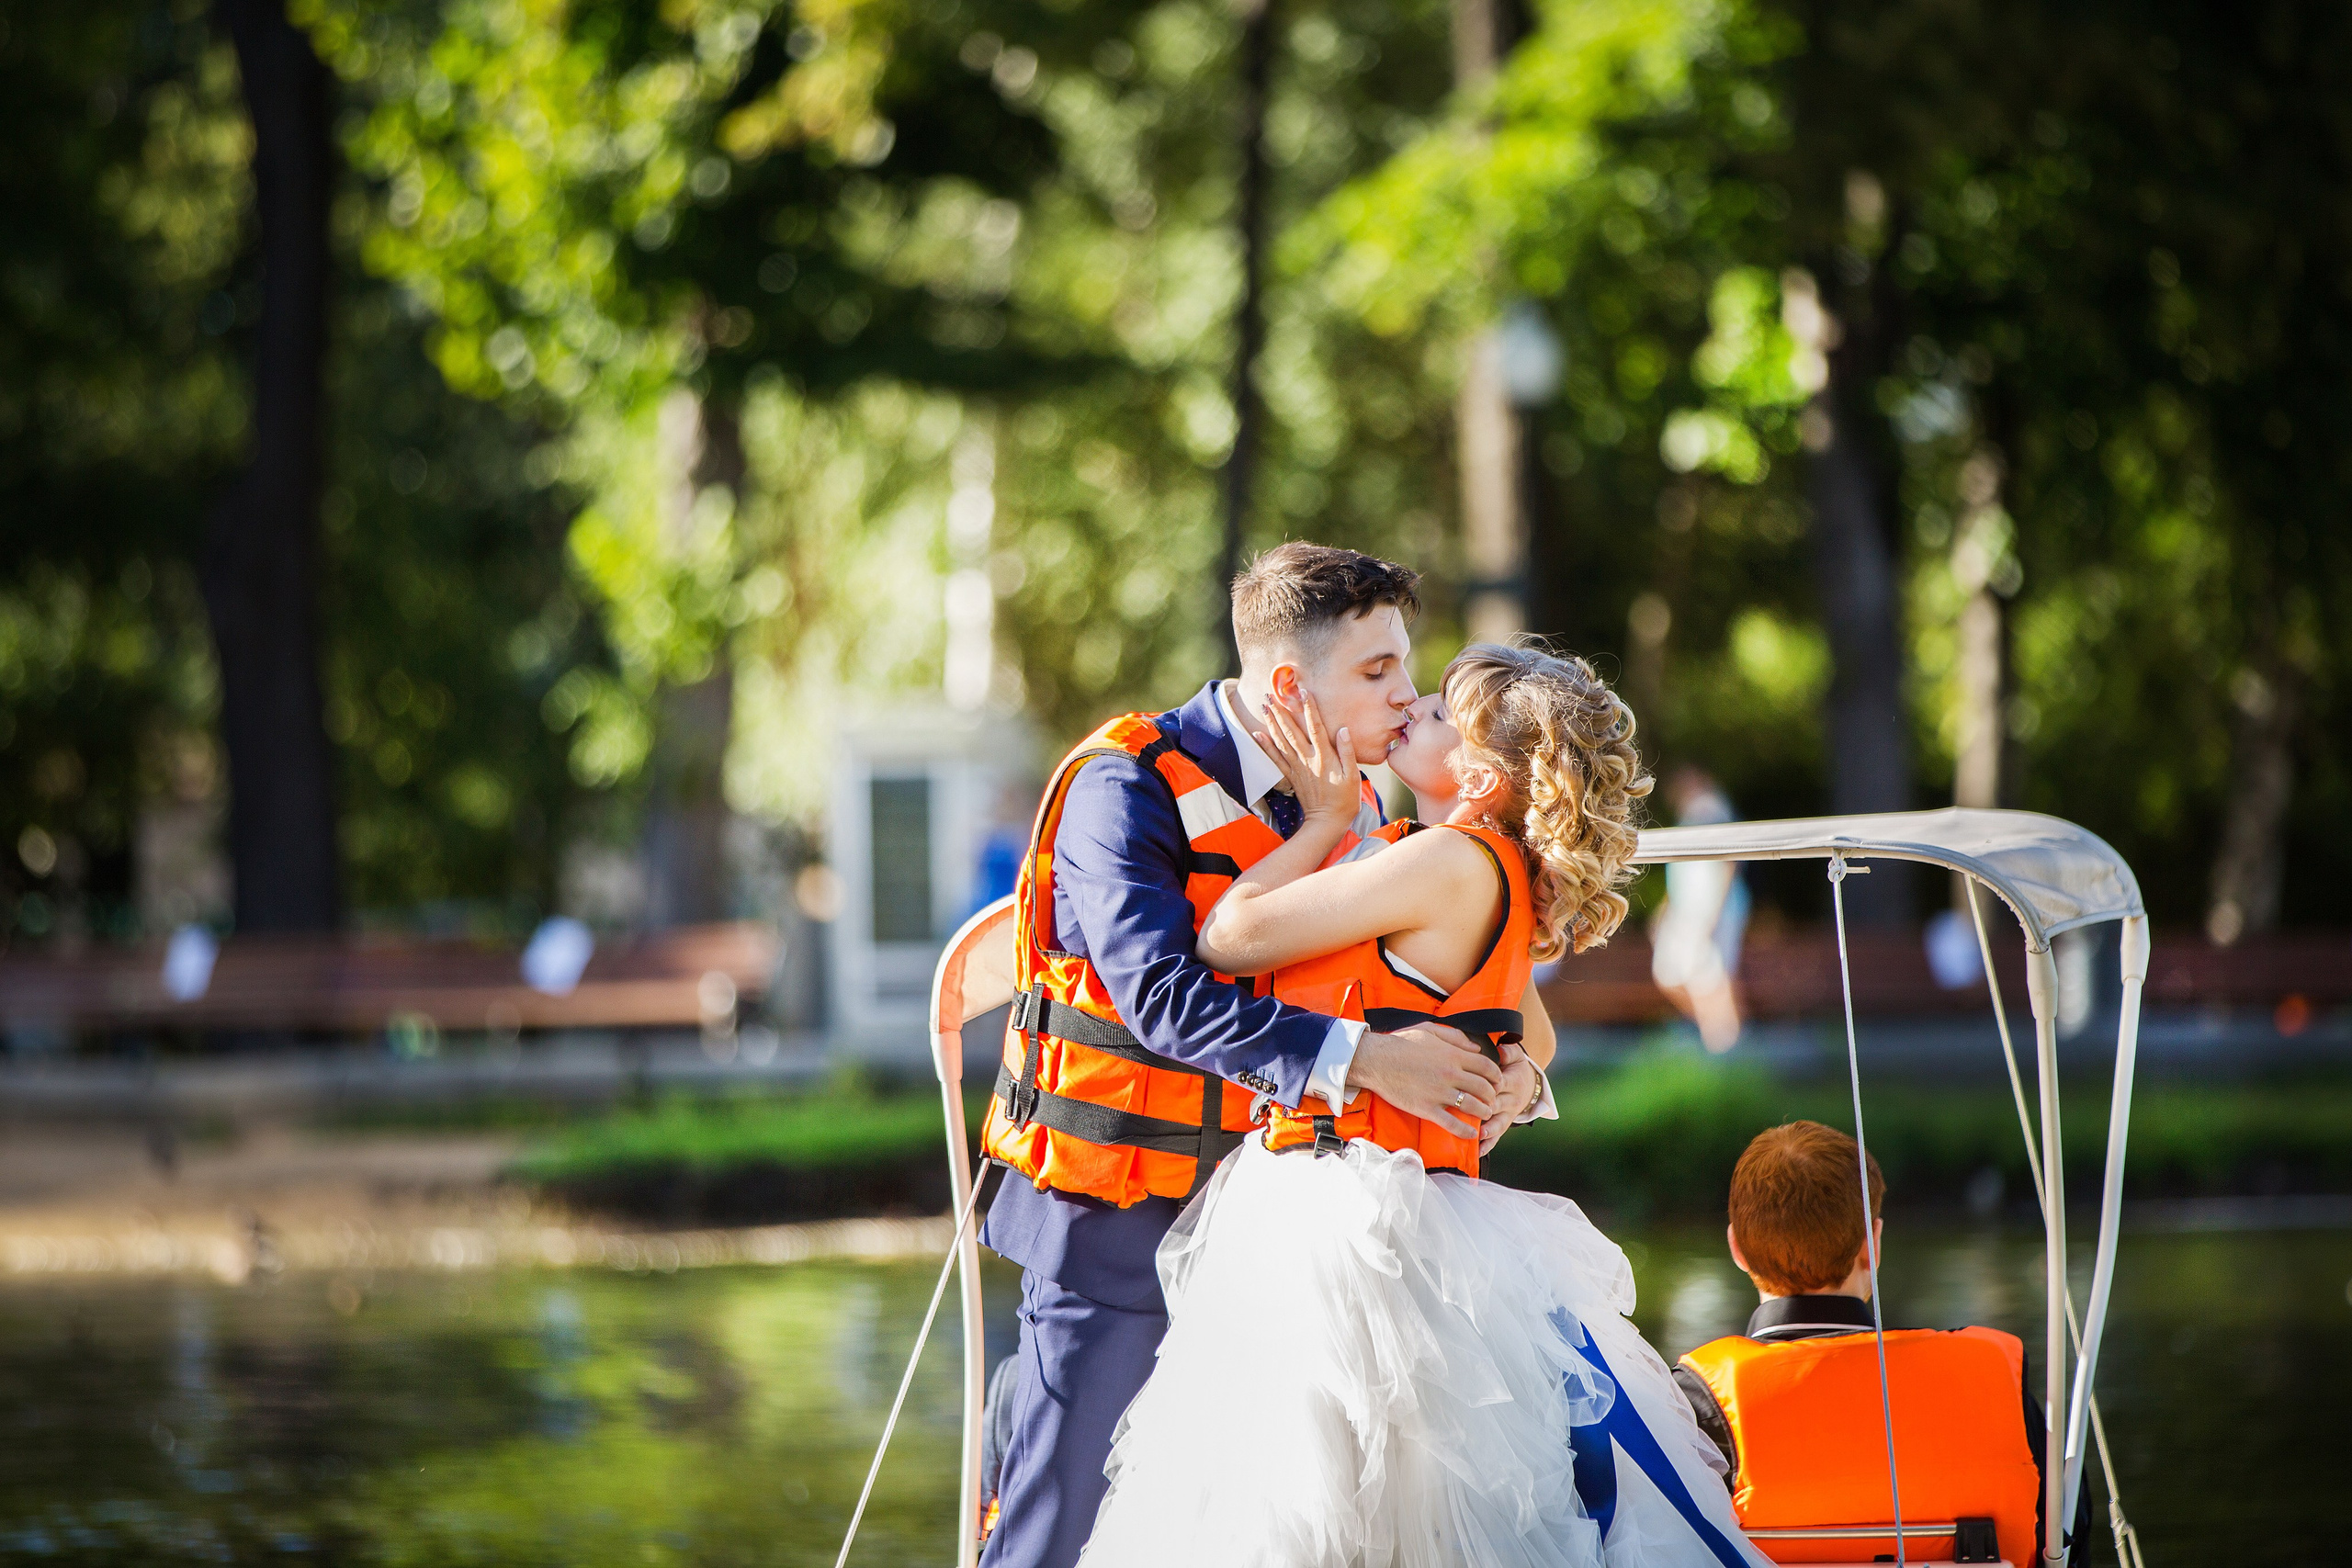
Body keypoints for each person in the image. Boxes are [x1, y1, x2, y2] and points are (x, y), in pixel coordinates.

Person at [1079, 642, 1767, 1568]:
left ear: (1477, 777)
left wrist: (1321, 821)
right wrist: (1520, 1079)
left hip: (1349, 1216)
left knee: (1296, 1512)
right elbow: (1540, 1038)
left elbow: (1229, 938)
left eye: (1439, 713)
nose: (1412, 709)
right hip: (1427, 1217)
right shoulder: (1493, 871)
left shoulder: (1442, 859)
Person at [977, 544, 1525, 1568]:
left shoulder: (1367, 807)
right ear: (1289, 686)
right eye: (1377, 673)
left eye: (1405, 667)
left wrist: (1513, 1072)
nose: (1406, 698)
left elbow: (1439, 977)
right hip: (1120, 1231)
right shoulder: (1124, 783)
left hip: (1289, 1242)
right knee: (1061, 1538)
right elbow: (1160, 997)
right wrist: (1360, 1062)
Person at [1675, 1122, 2082, 1566]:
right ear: (1873, 1246)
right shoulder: (1995, 1384)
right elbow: (2068, 1534)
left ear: (1737, 1248)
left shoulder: (1692, 1403)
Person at [1649, 767, 1747, 1052]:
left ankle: (1727, 1043)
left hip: (1714, 910)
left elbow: (1729, 863)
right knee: (1674, 974)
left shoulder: (1712, 809)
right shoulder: (1691, 815)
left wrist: (1715, 912)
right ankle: (1717, 1034)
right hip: (1689, 911)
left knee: (1714, 977)